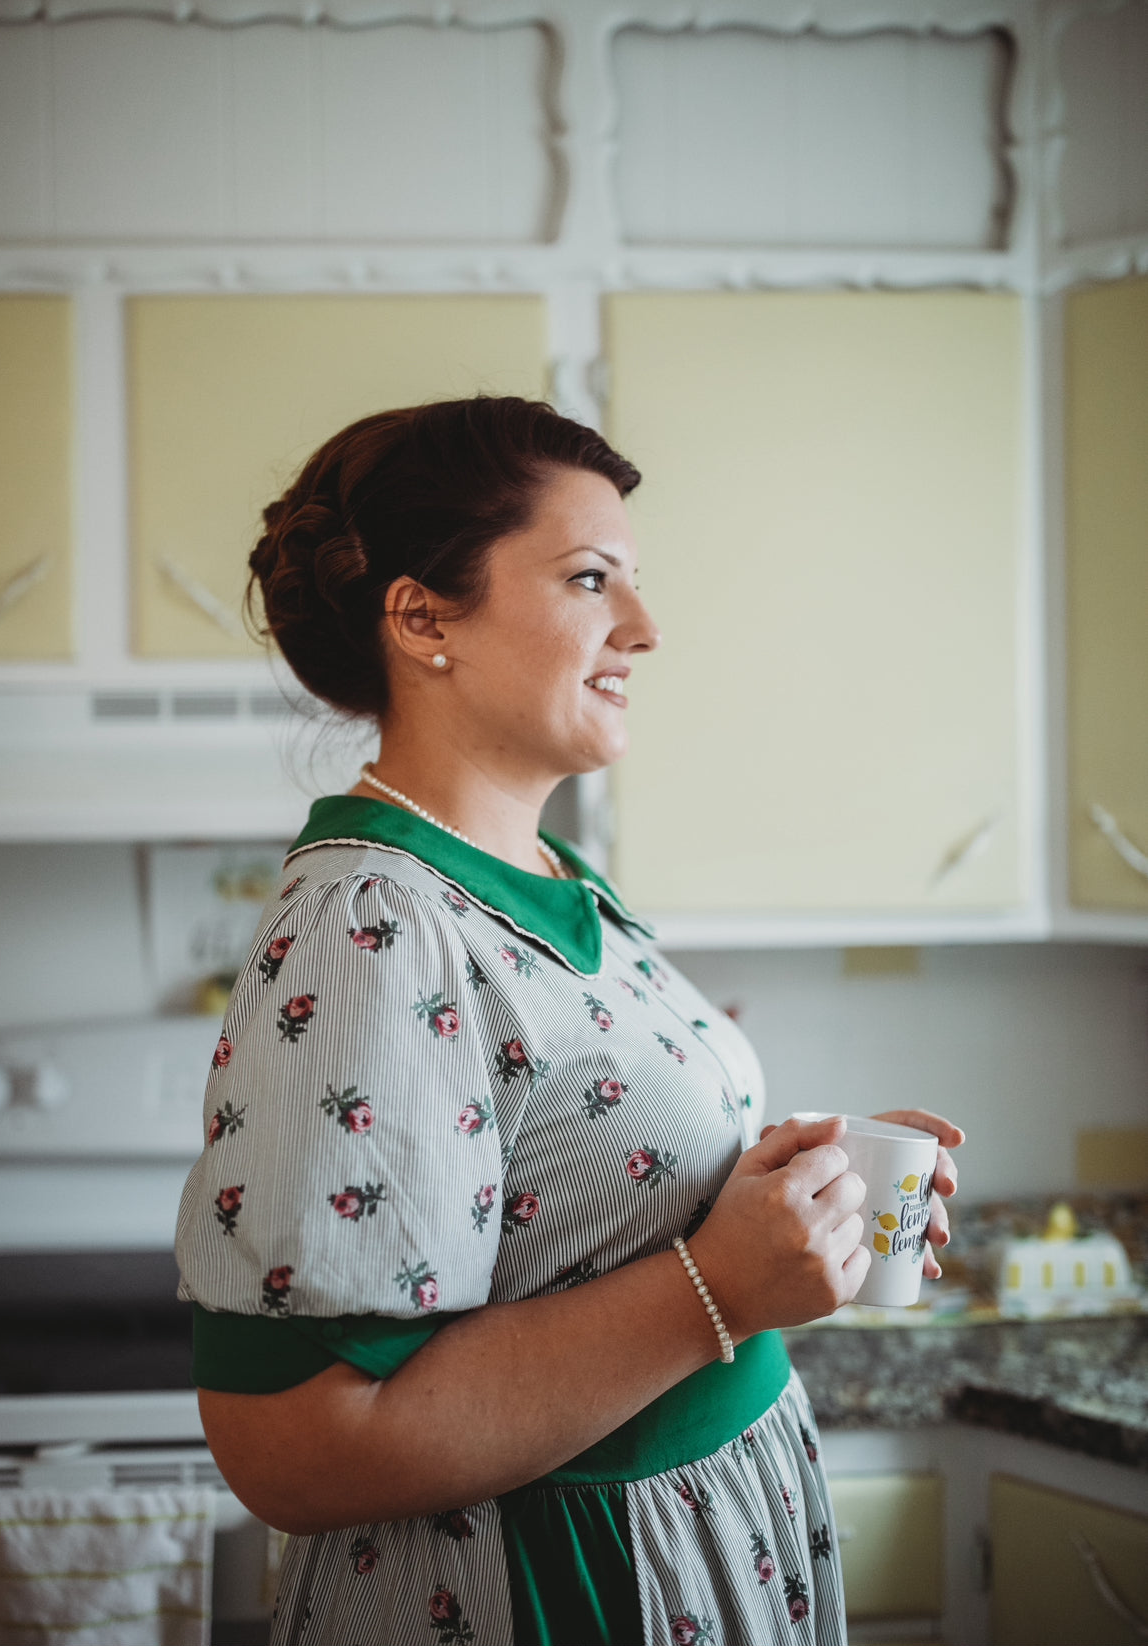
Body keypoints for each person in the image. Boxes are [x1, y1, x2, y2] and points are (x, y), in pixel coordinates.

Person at [175, 396, 963, 1647]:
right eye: (592, 581)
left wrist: (761, 1200)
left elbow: (572, 1211)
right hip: (554, 1594)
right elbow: (296, 1451)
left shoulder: (549, 877)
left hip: (691, 1553)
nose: (644, 630)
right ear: (424, 616)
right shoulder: (372, 920)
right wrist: (719, 1285)